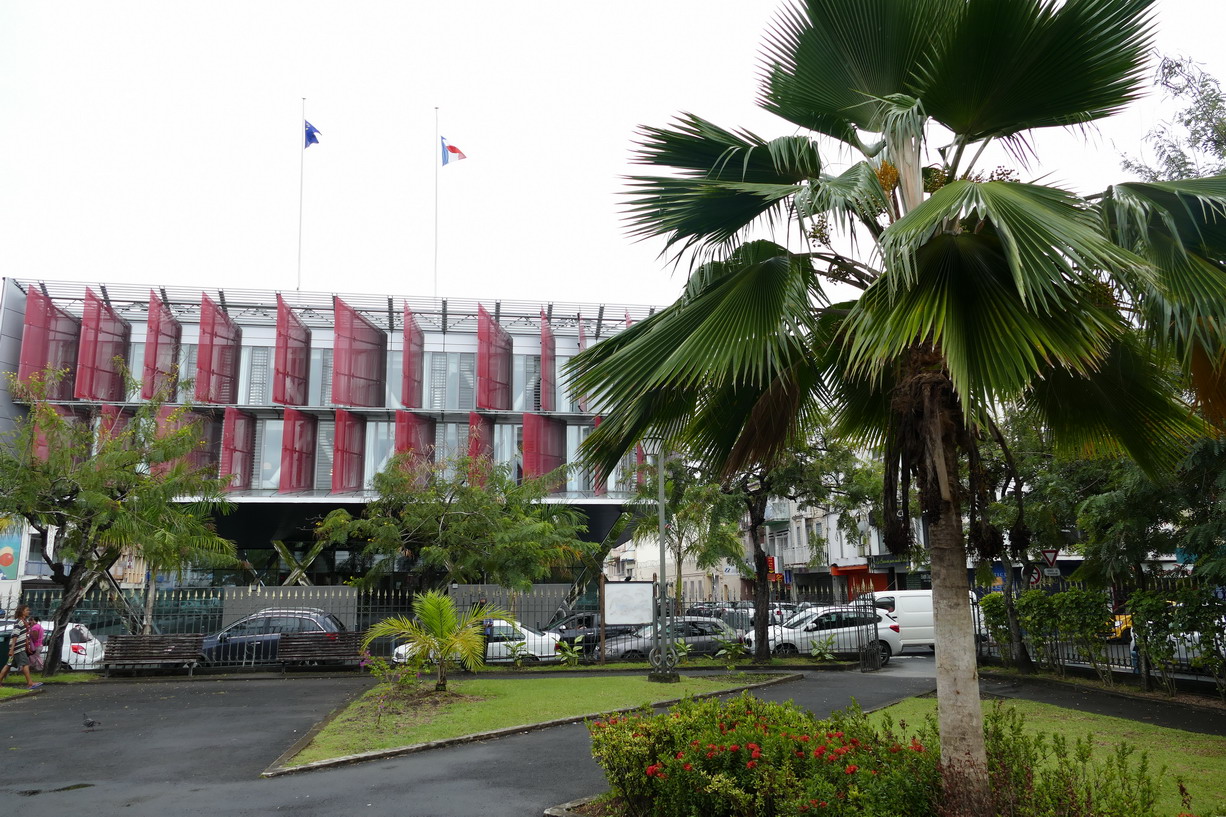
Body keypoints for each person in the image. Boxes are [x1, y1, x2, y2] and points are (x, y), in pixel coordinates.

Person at [0, 605, 43, 689]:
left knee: (8, 664)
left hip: (17, 647)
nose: (28, 612)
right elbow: (15, 635)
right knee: (25, 663)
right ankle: (30, 683)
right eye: (26, 610)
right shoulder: (19, 622)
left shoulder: (23, 621)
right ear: (22, 611)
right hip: (18, 648)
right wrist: (12, 649)